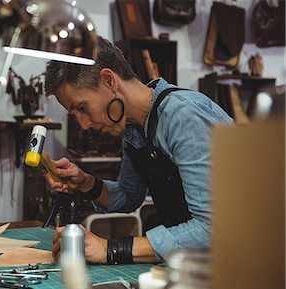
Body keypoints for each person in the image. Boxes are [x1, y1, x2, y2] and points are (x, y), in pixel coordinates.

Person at [43, 36, 233, 264]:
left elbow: (212, 228)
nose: (84, 124)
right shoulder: (135, 129)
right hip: (189, 263)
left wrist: (110, 249)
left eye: (82, 108)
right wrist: (86, 184)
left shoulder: (182, 117)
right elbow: (128, 196)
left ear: (108, 80)